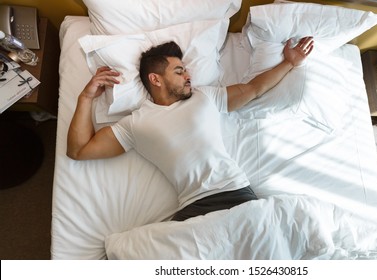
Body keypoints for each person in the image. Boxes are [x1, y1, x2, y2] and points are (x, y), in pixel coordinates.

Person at [67, 36, 314, 221]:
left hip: (236, 193)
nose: (188, 75)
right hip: (194, 208)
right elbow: (78, 150)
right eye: (179, 71)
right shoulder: (135, 123)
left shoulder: (205, 97)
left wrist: (290, 63)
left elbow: (253, 89)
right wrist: (86, 98)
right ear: (156, 79)